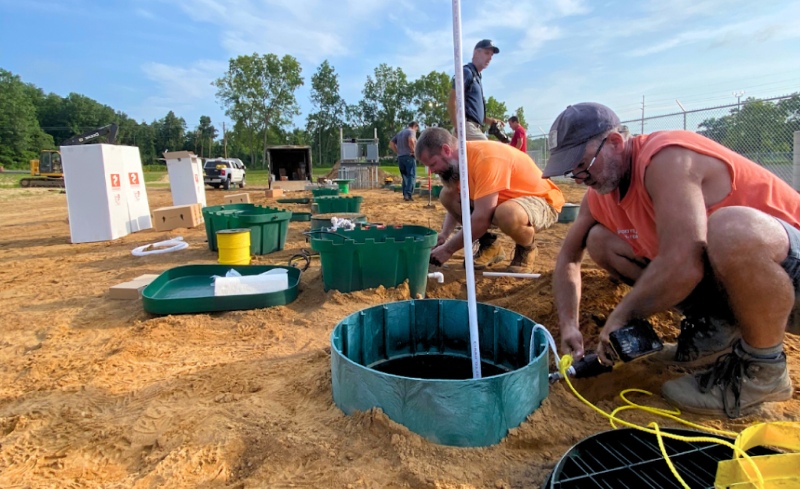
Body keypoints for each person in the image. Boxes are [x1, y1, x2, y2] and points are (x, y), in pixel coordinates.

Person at [544, 102, 800, 418]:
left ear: (614, 142)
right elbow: (568, 259)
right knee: (600, 241)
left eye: (583, 165)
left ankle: (763, 369)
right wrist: (569, 324)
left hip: (790, 274)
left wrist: (622, 315)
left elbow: (683, 261)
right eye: (572, 171)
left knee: (728, 228)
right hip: (743, 288)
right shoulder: (599, 197)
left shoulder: (666, 156)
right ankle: (714, 333)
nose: (580, 178)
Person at [415, 127, 564, 274]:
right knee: (447, 194)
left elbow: (482, 218)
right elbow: (459, 202)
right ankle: (490, 246)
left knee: (507, 214)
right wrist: (444, 235)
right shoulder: (458, 166)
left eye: (433, 164)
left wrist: (448, 250)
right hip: (503, 201)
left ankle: (526, 248)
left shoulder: (485, 158)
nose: (431, 171)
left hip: (542, 200)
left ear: (446, 150)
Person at [447, 39, 505, 142]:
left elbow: (473, 112)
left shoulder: (476, 76)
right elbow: (452, 100)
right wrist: (459, 128)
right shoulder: (467, 72)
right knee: (489, 151)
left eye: (491, 55)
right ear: (476, 52)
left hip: (473, 127)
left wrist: (490, 121)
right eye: (487, 53)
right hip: (467, 126)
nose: (490, 58)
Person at [389, 121, 419, 201]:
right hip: (409, 156)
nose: (416, 131)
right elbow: (411, 141)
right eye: (417, 129)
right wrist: (414, 151)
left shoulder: (400, 133)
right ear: (414, 126)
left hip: (400, 157)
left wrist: (398, 151)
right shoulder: (411, 131)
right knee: (411, 176)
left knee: (405, 176)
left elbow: (391, 143)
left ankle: (405, 194)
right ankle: (408, 194)